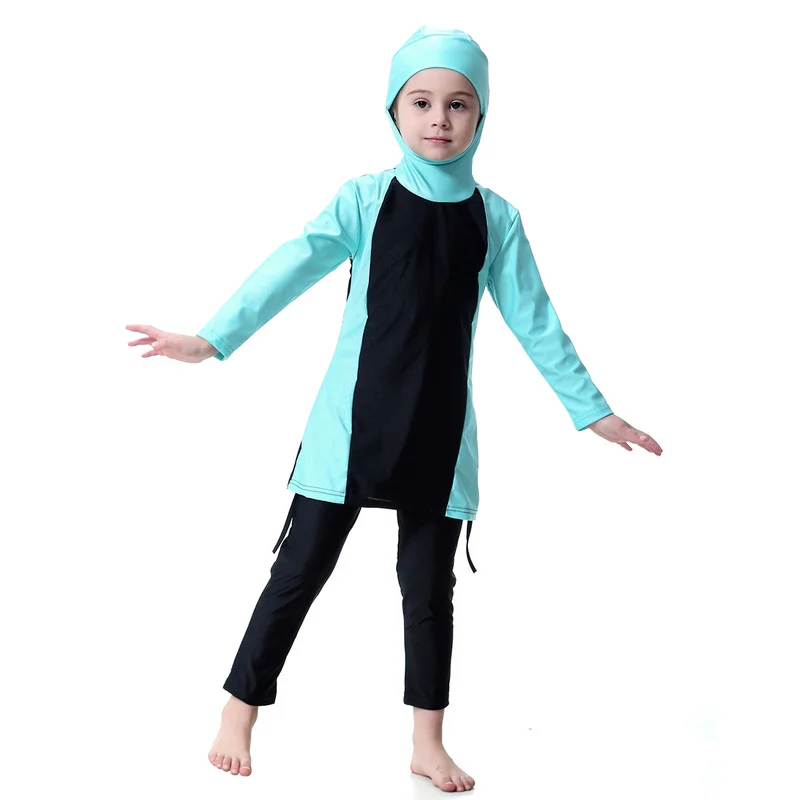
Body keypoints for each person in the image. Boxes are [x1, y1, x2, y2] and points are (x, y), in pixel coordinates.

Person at [126, 25, 662, 793]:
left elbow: (536, 320)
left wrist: (594, 411)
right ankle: (239, 710)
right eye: (421, 101)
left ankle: (427, 743)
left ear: (482, 117)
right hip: (348, 430)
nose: (439, 118)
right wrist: (211, 339)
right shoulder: (365, 199)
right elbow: (291, 264)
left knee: (429, 593)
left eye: (458, 104)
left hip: (438, 439)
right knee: (298, 572)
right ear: (393, 110)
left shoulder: (497, 219)